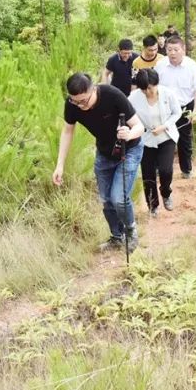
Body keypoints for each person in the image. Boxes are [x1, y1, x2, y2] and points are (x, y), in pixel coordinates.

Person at [52, 73, 145, 254]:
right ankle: (117, 237)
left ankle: (131, 231)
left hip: (129, 149)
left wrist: (129, 133)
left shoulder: (113, 95)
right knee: (106, 200)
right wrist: (60, 165)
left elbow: (139, 127)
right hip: (104, 153)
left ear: (93, 89)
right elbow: (68, 132)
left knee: (119, 198)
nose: (81, 106)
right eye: (76, 102)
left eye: (84, 101)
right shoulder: (72, 105)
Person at [128, 68, 182, 216]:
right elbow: (128, 115)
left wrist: (164, 126)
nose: (148, 92)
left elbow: (177, 112)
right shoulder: (133, 97)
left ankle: (166, 193)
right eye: (144, 90)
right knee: (148, 174)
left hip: (166, 136)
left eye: (150, 88)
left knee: (166, 170)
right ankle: (152, 205)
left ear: (156, 84)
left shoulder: (167, 94)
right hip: (145, 140)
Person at [157, 36, 196, 179]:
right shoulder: (160, 65)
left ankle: (186, 170)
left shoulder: (192, 66)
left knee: (185, 139)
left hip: (185, 107)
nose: (172, 53)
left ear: (183, 50)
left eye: (176, 50)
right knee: (162, 138)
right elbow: (154, 87)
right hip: (165, 108)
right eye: (169, 50)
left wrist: (195, 112)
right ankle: (160, 169)